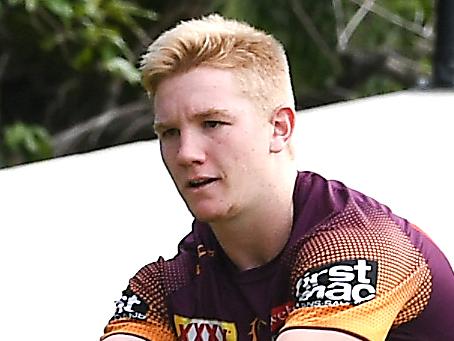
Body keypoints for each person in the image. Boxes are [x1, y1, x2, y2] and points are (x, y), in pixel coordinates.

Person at [101, 14, 454, 341]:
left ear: (279, 128)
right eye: (169, 132)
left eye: (212, 124)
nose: (186, 152)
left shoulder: (362, 245)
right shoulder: (169, 284)